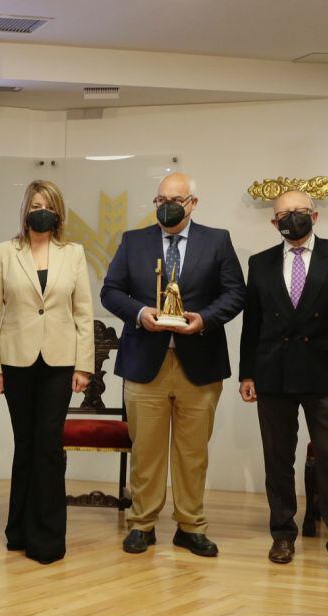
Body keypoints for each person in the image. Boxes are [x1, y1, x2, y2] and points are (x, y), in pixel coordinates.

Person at [100, 172, 245, 557]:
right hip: (145, 361)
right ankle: (142, 524)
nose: (167, 205)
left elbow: (236, 293)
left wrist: (206, 319)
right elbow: (110, 291)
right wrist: (140, 311)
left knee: (193, 453)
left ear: (192, 203)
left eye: (176, 199)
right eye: (161, 198)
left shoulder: (218, 240)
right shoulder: (134, 241)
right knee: (145, 450)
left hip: (199, 360)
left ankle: (190, 525)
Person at [239, 190, 328, 581]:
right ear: (273, 221)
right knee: (278, 461)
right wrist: (248, 374)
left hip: (326, 374)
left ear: (314, 216)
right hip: (273, 374)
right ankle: (282, 535)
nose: (291, 218)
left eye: (298, 212)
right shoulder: (259, 263)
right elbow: (253, 325)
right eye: (283, 213)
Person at [0, 180, 94, 564]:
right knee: (25, 444)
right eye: (34, 204)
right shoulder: (3, 253)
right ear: (25, 211)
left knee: (48, 446)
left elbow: (83, 311)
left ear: (58, 212)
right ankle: (17, 530)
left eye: (47, 204)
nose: (40, 210)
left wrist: (85, 365)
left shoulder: (74, 253)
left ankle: (47, 538)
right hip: (15, 361)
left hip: (60, 363)